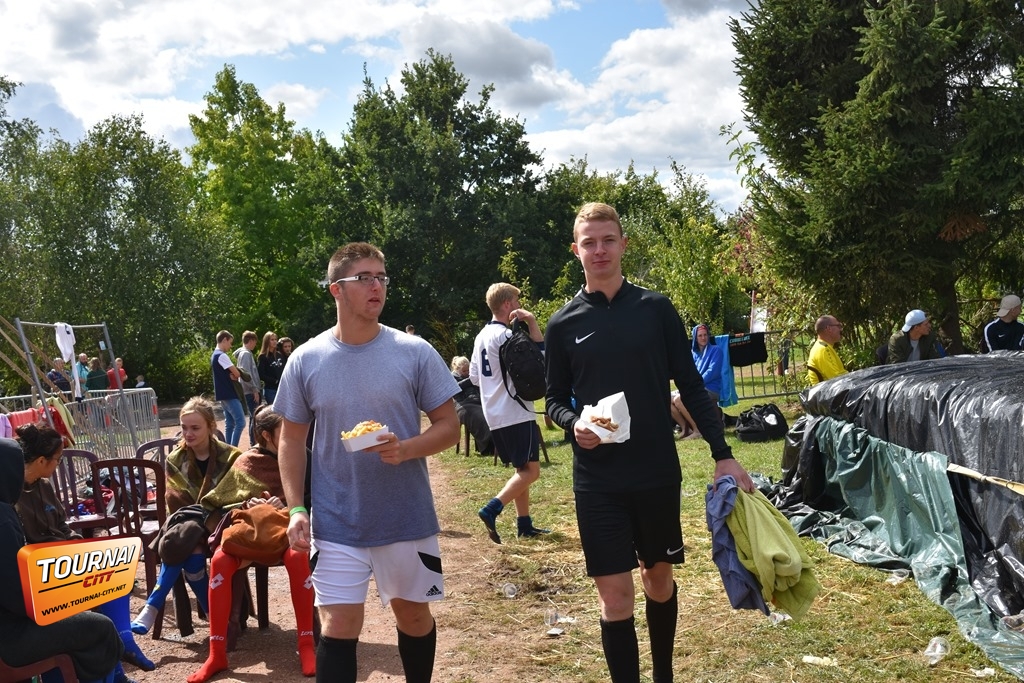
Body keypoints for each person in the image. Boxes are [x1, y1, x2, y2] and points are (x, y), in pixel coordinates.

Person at [545, 202, 754, 683]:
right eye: (589, 242)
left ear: (623, 244)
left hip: (655, 469)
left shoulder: (655, 309)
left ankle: (663, 675)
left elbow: (691, 385)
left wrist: (723, 455)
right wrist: (573, 423)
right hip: (597, 478)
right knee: (614, 596)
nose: (600, 250)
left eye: (608, 240)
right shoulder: (562, 324)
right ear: (576, 250)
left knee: (658, 580)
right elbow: (554, 398)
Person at [275, 241, 460, 683]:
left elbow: (449, 426)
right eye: (364, 278)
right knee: (338, 625)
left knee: (413, 617)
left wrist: (407, 448)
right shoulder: (306, 359)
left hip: (405, 516)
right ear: (336, 289)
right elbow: (291, 439)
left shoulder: (414, 351)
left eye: (381, 277)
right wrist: (297, 507)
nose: (377, 286)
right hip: (337, 521)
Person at [14, 422, 151, 681]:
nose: (58, 465)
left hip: (65, 559)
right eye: (57, 459)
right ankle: (120, 659)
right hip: (44, 571)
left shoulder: (44, 486)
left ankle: (123, 648)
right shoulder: (12, 494)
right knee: (101, 586)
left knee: (115, 570)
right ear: (42, 461)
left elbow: (63, 527)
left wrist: (78, 545)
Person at [187, 404, 315, 683]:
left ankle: (306, 645)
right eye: (284, 430)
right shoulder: (246, 462)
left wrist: (290, 506)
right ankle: (216, 654)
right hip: (248, 537)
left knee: (298, 556)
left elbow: (319, 497)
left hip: (286, 535)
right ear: (267, 435)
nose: (293, 433)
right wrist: (245, 503)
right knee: (220, 560)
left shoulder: (302, 455)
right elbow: (213, 504)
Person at [0, 435, 125, 683]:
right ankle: (119, 669)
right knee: (100, 628)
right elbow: (16, 595)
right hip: (11, 637)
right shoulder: (3, 519)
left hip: (13, 621)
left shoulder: (14, 504)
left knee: (107, 580)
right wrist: (60, 597)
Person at [131, 397, 243, 635]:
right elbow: (175, 500)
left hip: (220, 524)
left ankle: (153, 605)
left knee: (185, 537)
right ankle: (213, 615)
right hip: (186, 522)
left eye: (195, 428)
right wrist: (203, 510)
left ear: (211, 426)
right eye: (184, 428)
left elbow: (235, 496)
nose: (188, 433)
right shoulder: (175, 459)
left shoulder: (231, 457)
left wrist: (207, 511)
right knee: (192, 548)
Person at [470, 283, 549, 544]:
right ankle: (492, 508)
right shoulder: (507, 336)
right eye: (516, 301)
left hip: (494, 414)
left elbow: (474, 377)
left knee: (521, 469)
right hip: (516, 411)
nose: (519, 305)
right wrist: (532, 322)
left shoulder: (481, 336)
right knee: (532, 472)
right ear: (507, 304)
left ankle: (524, 524)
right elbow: (539, 361)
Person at [670, 323, 724, 440]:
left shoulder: (716, 350)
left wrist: (695, 385)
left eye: (705, 335)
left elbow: (712, 372)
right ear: (695, 337)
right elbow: (688, 372)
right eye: (700, 335)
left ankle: (698, 430)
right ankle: (685, 428)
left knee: (679, 399)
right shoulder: (693, 353)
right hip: (695, 386)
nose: (703, 338)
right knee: (667, 398)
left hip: (710, 388)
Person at [450, 356, 493, 456]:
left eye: (468, 370)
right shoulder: (452, 377)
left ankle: (495, 444)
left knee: (490, 415)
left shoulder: (472, 375)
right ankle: (488, 447)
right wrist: (471, 380)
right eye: (464, 371)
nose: (467, 372)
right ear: (457, 369)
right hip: (463, 405)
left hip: (478, 402)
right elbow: (455, 388)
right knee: (479, 418)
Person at [211, 330, 245, 446]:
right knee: (240, 422)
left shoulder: (214, 355)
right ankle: (233, 448)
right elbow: (237, 373)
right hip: (229, 393)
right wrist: (234, 375)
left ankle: (227, 448)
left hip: (222, 394)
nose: (230, 346)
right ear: (224, 340)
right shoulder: (222, 355)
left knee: (230, 423)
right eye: (230, 343)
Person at [234, 330, 262, 445]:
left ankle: (253, 442)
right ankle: (253, 443)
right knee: (254, 417)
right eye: (255, 342)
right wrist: (254, 389)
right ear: (251, 341)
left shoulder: (244, 353)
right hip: (249, 391)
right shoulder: (245, 354)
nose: (255, 344)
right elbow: (246, 374)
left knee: (253, 417)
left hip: (249, 391)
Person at [806, 315, 848, 385]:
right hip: (830, 391)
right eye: (838, 326)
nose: (840, 329)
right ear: (829, 329)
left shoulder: (824, 347)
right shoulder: (822, 350)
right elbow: (836, 380)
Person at [257, 331, 284, 404]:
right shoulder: (263, 357)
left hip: (282, 388)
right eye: (272, 340)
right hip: (270, 389)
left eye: (275, 339)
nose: (274, 341)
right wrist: (274, 381)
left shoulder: (279, 355)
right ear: (267, 341)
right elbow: (261, 374)